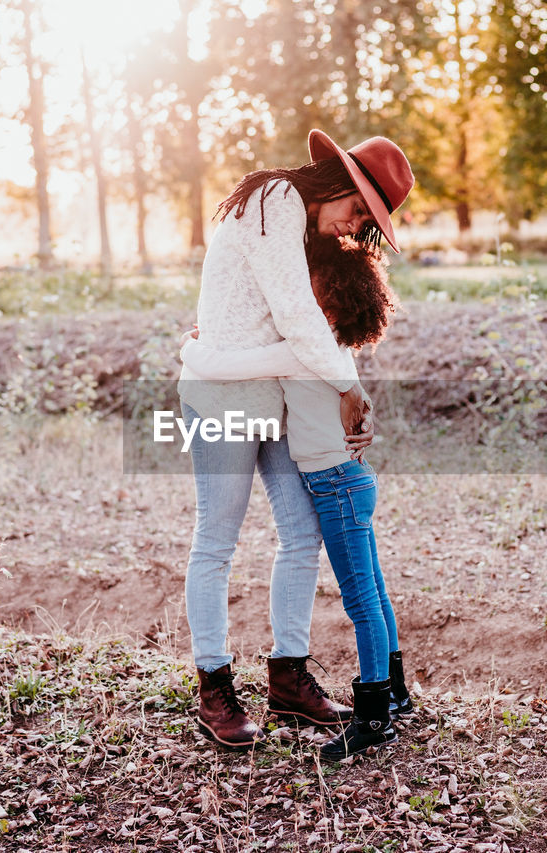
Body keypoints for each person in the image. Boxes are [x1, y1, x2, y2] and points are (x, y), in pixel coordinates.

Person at [179, 129, 414, 750]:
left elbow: (322, 324)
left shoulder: (301, 227)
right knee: (217, 539)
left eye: (365, 219)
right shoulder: (275, 200)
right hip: (223, 397)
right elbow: (293, 312)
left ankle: (287, 676)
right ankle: (213, 684)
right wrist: (347, 388)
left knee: (302, 534)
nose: (351, 226)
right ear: (336, 185)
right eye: (357, 209)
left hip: (272, 393)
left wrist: (341, 382)